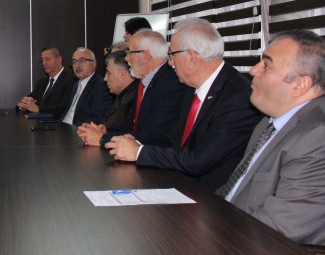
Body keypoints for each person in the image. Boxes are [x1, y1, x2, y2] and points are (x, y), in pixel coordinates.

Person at [106, 18, 260, 190]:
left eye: (172, 55)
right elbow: (174, 139)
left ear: (191, 57)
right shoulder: (191, 87)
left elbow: (199, 160)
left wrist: (139, 152)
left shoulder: (237, 98)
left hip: (211, 196)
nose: (170, 62)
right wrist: (135, 142)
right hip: (178, 182)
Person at [216, 30, 325, 245]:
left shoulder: (317, 137)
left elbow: (281, 227)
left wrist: (209, 231)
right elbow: (232, 190)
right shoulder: (268, 122)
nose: (253, 70)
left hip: (260, 253)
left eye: (266, 65)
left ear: (300, 85)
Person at [99, 30, 189, 147]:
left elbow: (154, 135)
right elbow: (131, 125)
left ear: (145, 56)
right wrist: (106, 130)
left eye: (129, 53)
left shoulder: (171, 85)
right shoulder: (145, 82)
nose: (126, 59)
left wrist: (103, 139)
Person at [78, 50, 139, 146]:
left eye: (108, 73)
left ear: (122, 74)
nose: (105, 78)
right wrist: (104, 129)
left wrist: (103, 136)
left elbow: (131, 133)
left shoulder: (136, 97)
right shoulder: (123, 95)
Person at [60, 48, 113, 126]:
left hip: (77, 129)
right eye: (74, 62)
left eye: (82, 61)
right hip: (63, 126)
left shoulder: (101, 86)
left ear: (93, 64)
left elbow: (97, 119)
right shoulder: (75, 84)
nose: (77, 66)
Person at [17, 47, 75, 118]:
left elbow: (64, 107)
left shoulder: (71, 79)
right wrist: (23, 104)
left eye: (47, 59)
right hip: (39, 122)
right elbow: (30, 99)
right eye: (42, 60)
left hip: (58, 123)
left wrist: (38, 109)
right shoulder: (42, 82)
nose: (44, 63)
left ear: (59, 59)